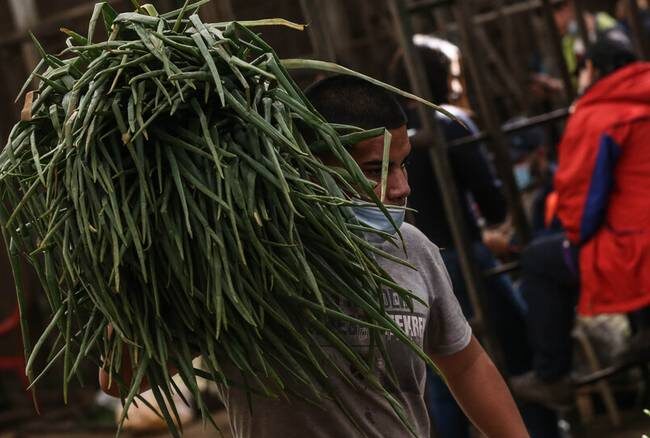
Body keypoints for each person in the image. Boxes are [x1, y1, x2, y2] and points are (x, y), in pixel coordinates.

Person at [100, 76, 528, 437]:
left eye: (402, 164)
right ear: (309, 165)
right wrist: (144, 258)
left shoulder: (412, 248)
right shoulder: (242, 258)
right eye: (374, 169)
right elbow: (120, 379)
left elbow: (467, 363)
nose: (401, 188)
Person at [405, 44, 559, 438]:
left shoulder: (396, 130)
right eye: (454, 72)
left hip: (411, 260)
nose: (459, 82)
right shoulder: (451, 123)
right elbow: (491, 200)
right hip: (464, 257)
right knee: (517, 353)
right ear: (439, 78)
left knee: (441, 370)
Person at [510, 38, 650, 406]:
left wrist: (573, 237)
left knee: (540, 259)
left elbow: (581, 208)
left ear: (598, 70)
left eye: (582, 69)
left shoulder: (599, 114)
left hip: (636, 250)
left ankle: (552, 376)